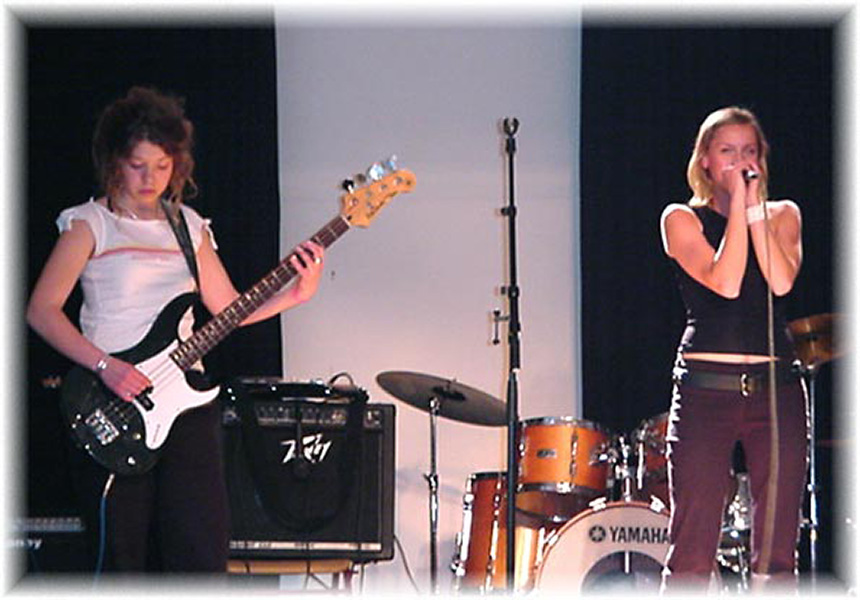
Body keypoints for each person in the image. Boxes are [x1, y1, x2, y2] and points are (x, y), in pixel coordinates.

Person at [26, 86, 325, 572]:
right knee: (122, 555)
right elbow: (42, 311)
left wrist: (295, 295)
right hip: (113, 398)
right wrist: (105, 367)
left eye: (162, 166)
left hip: (186, 402)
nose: (150, 179)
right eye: (138, 165)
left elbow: (227, 309)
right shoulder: (89, 223)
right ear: (114, 161)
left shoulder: (189, 225)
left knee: (201, 548)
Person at [658, 106, 807, 592]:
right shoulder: (681, 219)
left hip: (776, 390)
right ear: (704, 160)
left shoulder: (783, 215)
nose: (740, 162)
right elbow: (725, 282)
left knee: (779, 549)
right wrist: (739, 207)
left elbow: (780, 281)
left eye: (749, 151)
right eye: (727, 151)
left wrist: (754, 208)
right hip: (706, 392)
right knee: (693, 544)